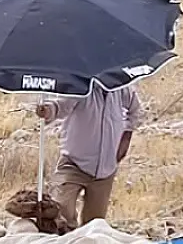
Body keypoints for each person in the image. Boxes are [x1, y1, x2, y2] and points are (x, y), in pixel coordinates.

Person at [34, 82, 144, 229]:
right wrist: (48, 110)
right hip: (74, 163)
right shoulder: (80, 86)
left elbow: (136, 111)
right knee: (61, 212)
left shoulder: (121, 88)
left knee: (94, 225)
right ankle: (65, 240)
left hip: (106, 169)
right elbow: (60, 105)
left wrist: (126, 137)